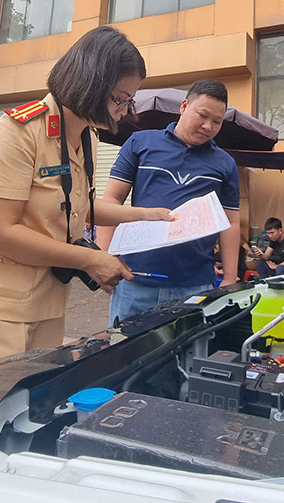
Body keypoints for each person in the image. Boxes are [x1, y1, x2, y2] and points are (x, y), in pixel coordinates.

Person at [0, 27, 171, 373]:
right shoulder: (17, 132)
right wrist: (89, 260)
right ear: (89, 82)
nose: (124, 111)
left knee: (33, 409)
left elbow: (79, 207)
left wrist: (146, 214)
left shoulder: (87, 137)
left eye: (128, 101)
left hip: (46, 304)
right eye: (118, 99)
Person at [99, 79, 241, 325]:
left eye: (217, 121)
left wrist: (230, 276)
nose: (208, 126)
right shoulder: (140, 143)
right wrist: (104, 257)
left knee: (186, 357)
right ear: (184, 106)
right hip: (135, 280)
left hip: (195, 286)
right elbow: (111, 199)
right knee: (125, 355)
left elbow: (230, 221)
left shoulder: (224, 163)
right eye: (203, 115)